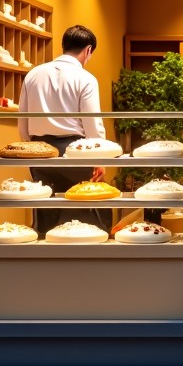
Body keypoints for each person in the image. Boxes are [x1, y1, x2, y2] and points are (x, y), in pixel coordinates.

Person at [18, 25, 109, 233]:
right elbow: (92, 123)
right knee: (82, 210)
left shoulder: (33, 74)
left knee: (46, 207)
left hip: (38, 150)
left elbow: (22, 120)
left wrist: (29, 149)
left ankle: (46, 254)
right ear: (88, 50)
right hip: (75, 150)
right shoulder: (86, 78)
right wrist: (100, 160)